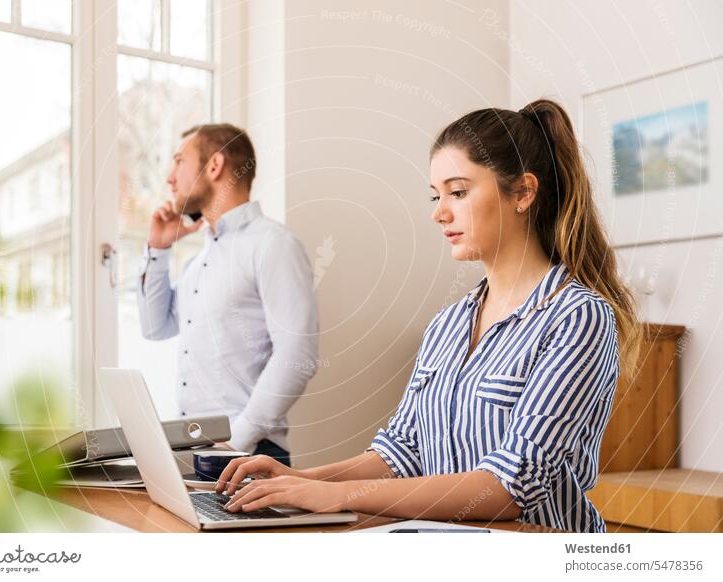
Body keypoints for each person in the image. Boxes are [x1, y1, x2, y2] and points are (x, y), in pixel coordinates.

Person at [214, 100, 642, 532]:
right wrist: (298, 479)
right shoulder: (449, 323)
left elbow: (509, 487)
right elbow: (401, 452)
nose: (439, 211)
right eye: (436, 196)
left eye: (458, 192)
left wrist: (335, 496)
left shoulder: (578, 317)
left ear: (523, 193)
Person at [138, 123, 319, 465]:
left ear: (215, 166)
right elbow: (154, 326)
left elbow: (298, 355)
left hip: (248, 454)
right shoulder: (199, 261)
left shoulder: (273, 245)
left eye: (179, 161)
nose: (170, 178)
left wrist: (238, 441)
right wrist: (157, 250)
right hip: (195, 453)